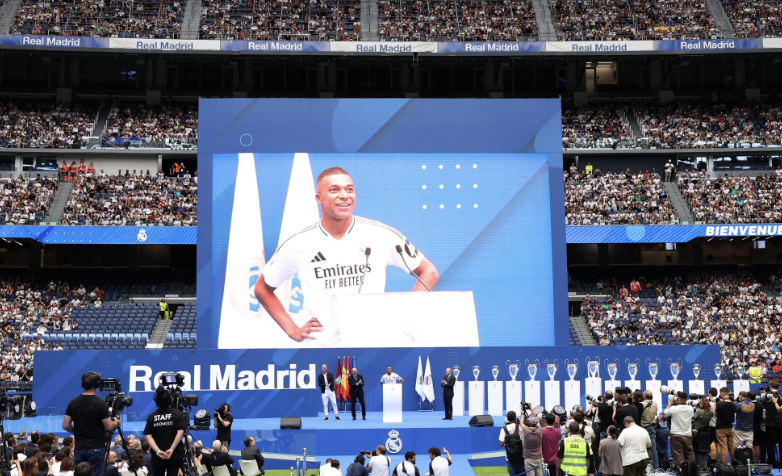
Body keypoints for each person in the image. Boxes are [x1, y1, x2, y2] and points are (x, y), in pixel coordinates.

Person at [254, 167, 439, 344]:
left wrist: (408, 316)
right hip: (323, 348)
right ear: (318, 198)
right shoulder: (298, 243)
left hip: (374, 344)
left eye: (349, 189)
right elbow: (262, 288)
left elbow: (428, 272)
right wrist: (292, 330)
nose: (344, 195)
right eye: (334, 190)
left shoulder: (380, 234)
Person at [62, 372, 121, 476]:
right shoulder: (101, 404)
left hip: (80, 447)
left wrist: (77, 430)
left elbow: (66, 425)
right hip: (96, 448)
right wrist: (116, 422)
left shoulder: (73, 402)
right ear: (97, 384)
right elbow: (109, 426)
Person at [143, 386, 187, 476]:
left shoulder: (152, 416)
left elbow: (148, 436)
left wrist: (158, 451)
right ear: (170, 400)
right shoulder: (177, 414)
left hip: (158, 456)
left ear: (156, 401)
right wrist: (171, 449)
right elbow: (181, 432)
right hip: (174, 455)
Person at [662, 391, 694, 468]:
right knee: (690, 453)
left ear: (679, 399)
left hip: (676, 435)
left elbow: (665, 413)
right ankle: (692, 469)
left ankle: (681, 470)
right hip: (688, 434)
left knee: (678, 454)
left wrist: (670, 403)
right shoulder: (691, 408)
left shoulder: (673, 408)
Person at [715, 387, 736, 465]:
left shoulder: (719, 404)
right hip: (730, 427)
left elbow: (716, 414)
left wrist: (715, 405)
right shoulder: (734, 404)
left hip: (721, 428)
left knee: (724, 448)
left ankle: (725, 466)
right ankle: (734, 464)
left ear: (722, 394)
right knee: (732, 447)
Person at [692, 397, 713, 473]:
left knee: (698, 452)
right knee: (704, 451)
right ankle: (705, 468)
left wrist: (695, 408)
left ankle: (700, 469)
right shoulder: (710, 412)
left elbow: (692, 417)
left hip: (698, 433)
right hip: (706, 432)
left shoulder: (699, 412)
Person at [499, 411, 523, 476]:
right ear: (515, 418)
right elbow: (523, 441)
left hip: (509, 457)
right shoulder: (520, 427)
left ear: (507, 418)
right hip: (520, 456)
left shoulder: (503, 429)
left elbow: (501, 444)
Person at [763, 380, 782, 468]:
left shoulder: (766, 396)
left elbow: (763, 405)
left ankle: (771, 462)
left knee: (770, 444)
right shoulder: (780, 394)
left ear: (770, 386)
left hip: (770, 423)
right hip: (780, 423)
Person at [640, 390, 659, 469]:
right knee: (653, 448)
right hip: (651, 427)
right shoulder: (655, 404)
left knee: (641, 449)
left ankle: (643, 468)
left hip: (642, 428)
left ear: (644, 396)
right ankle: (656, 467)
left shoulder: (641, 404)